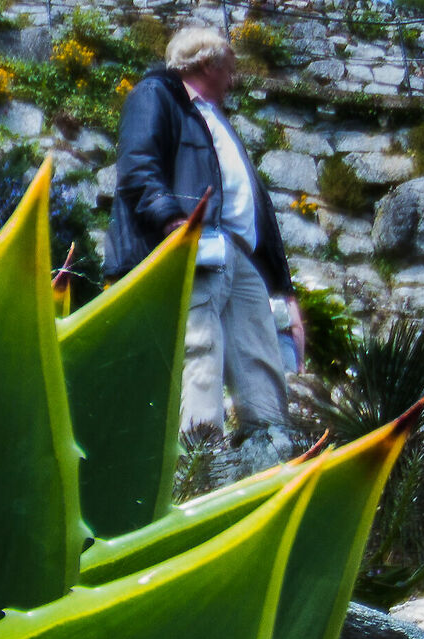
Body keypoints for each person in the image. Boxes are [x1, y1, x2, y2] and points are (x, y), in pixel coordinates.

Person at [108, 23, 303, 454]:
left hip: (238, 251)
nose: (233, 78)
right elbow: (138, 165)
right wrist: (174, 223)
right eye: (229, 67)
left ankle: (269, 442)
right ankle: (201, 457)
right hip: (197, 238)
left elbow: (254, 204)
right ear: (208, 62)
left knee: (259, 346)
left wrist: (282, 286)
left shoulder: (214, 117)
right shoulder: (157, 95)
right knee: (200, 345)